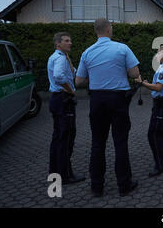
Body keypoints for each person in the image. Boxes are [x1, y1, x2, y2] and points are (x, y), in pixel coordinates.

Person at [75, 18, 140, 198]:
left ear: (96, 31)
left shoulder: (87, 52)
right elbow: (134, 73)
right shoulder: (122, 48)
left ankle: (97, 187)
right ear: (109, 29)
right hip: (118, 99)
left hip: (97, 99)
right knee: (120, 142)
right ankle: (124, 184)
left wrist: (96, 78)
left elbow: (78, 81)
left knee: (98, 143)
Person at [47, 32, 85, 185]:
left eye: (70, 40)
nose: (70, 43)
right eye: (67, 41)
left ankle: (55, 171)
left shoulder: (59, 58)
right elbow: (59, 77)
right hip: (63, 100)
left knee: (58, 138)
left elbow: (74, 72)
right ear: (58, 44)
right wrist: (71, 91)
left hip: (57, 100)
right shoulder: (60, 59)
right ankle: (65, 175)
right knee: (66, 138)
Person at [137, 45, 163, 177]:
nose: (156, 53)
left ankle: (160, 165)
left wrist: (143, 83)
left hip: (161, 105)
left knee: (153, 134)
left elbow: (158, 87)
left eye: (158, 51)